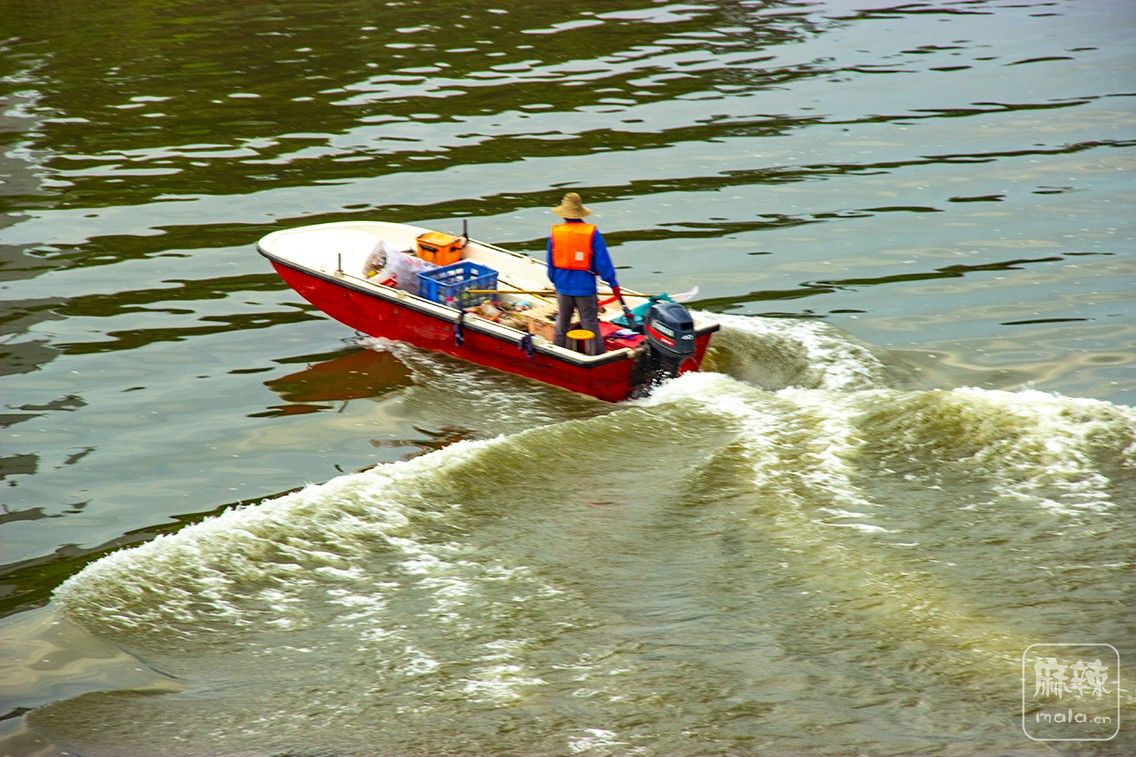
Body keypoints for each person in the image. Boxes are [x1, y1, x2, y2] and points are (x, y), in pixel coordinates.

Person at [546, 192, 620, 355]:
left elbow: (550, 265)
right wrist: (613, 283)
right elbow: (603, 262)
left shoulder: (555, 233)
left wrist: (556, 282)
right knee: (590, 325)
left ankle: (558, 354)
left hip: (563, 288)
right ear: (580, 213)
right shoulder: (592, 233)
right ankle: (596, 357)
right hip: (585, 288)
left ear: (564, 214)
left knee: (562, 323)